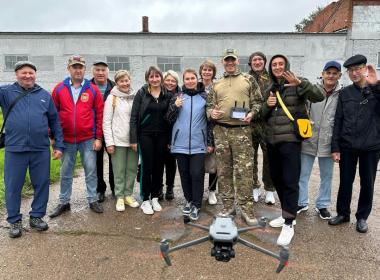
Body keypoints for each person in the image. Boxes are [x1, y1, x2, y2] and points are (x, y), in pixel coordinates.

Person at [261, 54, 324, 246]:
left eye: (281, 64)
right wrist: (267, 105)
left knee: (290, 181)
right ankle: (286, 214)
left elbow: (318, 95)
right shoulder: (270, 89)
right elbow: (263, 115)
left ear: (286, 65)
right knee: (277, 179)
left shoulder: (299, 82)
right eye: (274, 65)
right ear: (271, 69)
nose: (278, 67)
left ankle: (289, 223)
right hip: (272, 142)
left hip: (290, 141)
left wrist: (299, 84)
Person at [0, 61, 64, 238]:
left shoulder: (44, 95)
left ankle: (36, 217)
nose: (27, 76)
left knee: (42, 184)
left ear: (35, 75)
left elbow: (55, 121)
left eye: (31, 73)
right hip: (15, 148)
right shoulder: (5, 92)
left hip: (40, 149)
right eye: (23, 73)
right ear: (16, 75)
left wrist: (58, 144)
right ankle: (14, 221)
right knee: (13, 186)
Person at [207, 49, 263, 226]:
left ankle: (247, 209)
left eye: (233, 60)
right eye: (227, 60)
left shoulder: (248, 79)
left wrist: (253, 113)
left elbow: (258, 102)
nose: (230, 63)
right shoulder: (216, 84)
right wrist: (211, 113)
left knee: (244, 171)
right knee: (224, 171)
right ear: (223, 62)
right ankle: (228, 206)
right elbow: (208, 106)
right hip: (221, 131)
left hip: (242, 131)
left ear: (237, 61)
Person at [329, 55, 380, 233]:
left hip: (371, 147)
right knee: (345, 182)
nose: (354, 73)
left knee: (367, 183)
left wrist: (377, 86)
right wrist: (335, 147)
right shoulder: (345, 93)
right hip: (348, 145)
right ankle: (343, 214)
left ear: (365, 69)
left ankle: (362, 217)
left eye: (358, 69)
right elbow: (338, 120)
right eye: (350, 70)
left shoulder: (376, 90)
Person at [50, 55, 104, 218]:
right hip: (66, 140)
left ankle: (92, 199)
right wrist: (53, 136)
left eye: (80, 67)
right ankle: (64, 202)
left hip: (88, 139)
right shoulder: (59, 89)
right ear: (69, 69)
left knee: (91, 171)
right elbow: (52, 115)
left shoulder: (92, 89)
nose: (78, 70)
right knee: (66, 172)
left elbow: (100, 114)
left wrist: (98, 138)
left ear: (84, 70)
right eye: (75, 67)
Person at [298, 61, 342, 220]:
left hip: (328, 142)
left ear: (339, 76)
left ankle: (322, 205)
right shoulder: (312, 90)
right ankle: (301, 202)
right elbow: (301, 108)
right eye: (328, 72)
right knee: (303, 174)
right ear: (322, 74)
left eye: (334, 73)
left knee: (327, 176)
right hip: (308, 138)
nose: (331, 76)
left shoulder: (341, 94)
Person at [166, 69, 213, 220]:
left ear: (196, 79)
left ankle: (197, 205)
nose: (190, 81)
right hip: (180, 144)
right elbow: (168, 118)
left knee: (197, 174)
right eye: (187, 79)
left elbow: (210, 122)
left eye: (193, 78)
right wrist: (175, 106)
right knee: (185, 174)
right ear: (184, 81)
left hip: (199, 144)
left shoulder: (205, 97)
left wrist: (210, 142)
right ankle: (189, 201)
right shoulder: (177, 96)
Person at [130, 66, 171, 215]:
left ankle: (155, 197)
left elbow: (170, 116)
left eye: (157, 76)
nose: (154, 79)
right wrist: (133, 139)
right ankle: (145, 199)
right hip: (145, 135)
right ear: (147, 79)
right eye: (151, 77)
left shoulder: (167, 94)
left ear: (161, 77)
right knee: (147, 168)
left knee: (159, 167)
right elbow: (134, 117)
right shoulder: (142, 93)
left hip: (162, 135)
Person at [103, 70, 139, 212]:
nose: (125, 83)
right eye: (121, 81)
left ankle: (128, 195)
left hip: (133, 141)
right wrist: (109, 142)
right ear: (117, 83)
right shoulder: (112, 98)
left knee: (131, 170)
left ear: (130, 81)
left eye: (127, 80)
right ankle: (119, 196)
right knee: (119, 170)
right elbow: (106, 122)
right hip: (117, 141)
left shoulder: (135, 96)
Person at [247, 52, 276, 204]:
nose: (257, 62)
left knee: (269, 158)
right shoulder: (246, 79)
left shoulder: (272, 78)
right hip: (250, 124)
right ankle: (254, 188)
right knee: (250, 158)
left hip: (268, 123)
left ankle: (270, 190)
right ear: (250, 63)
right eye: (254, 60)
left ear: (264, 62)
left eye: (260, 60)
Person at [90, 61, 115, 202]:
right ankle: (100, 190)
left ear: (107, 72)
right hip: (94, 132)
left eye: (103, 70)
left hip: (111, 131)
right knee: (96, 162)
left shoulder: (115, 87)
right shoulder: (87, 87)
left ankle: (115, 188)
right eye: (97, 70)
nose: (100, 72)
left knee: (114, 162)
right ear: (93, 72)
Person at [199, 60, 218, 205]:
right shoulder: (195, 86)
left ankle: (212, 191)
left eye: (209, 70)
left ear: (213, 72)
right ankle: (198, 191)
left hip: (214, 127)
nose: (207, 72)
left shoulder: (217, 87)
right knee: (198, 163)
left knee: (213, 164)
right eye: (204, 69)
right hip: (198, 128)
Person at [161, 70, 180, 200]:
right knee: (158, 162)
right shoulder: (158, 93)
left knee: (171, 163)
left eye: (173, 81)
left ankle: (170, 187)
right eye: (167, 80)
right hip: (160, 132)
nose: (170, 83)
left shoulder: (180, 95)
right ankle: (158, 187)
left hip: (174, 133)